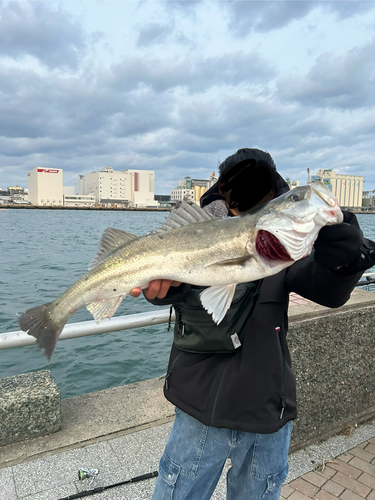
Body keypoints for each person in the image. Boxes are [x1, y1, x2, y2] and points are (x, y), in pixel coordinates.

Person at [131, 148, 374, 500]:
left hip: (265, 410)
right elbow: (173, 289)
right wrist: (160, 291)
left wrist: (345, 261)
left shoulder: (288, 239)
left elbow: (326, 289)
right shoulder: (196, 228)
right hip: (199, 407)